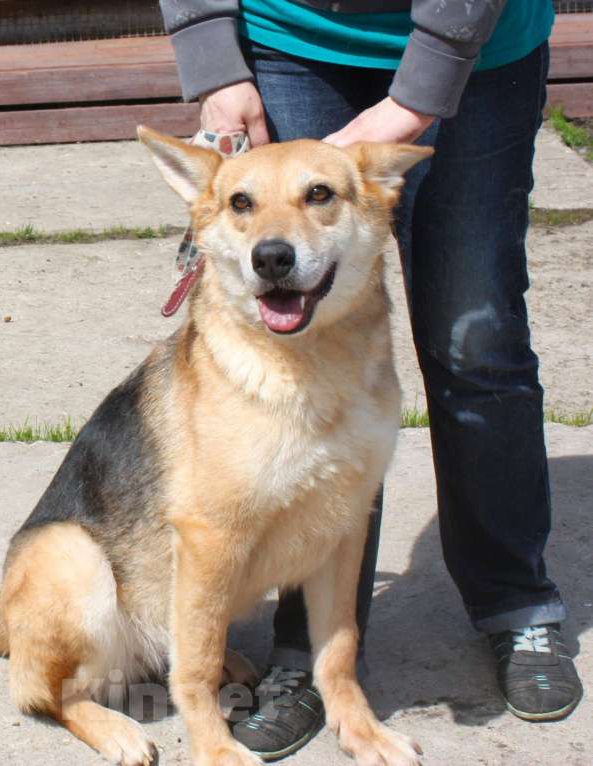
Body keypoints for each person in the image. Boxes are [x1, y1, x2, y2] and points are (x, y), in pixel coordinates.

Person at [159, 0, 583, 759]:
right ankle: (306, 652)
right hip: (293, 39)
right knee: (295, 370)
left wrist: (419, 97)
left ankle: (516, 604)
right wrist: (216, 62)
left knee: (475, 343)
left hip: (479, 46)